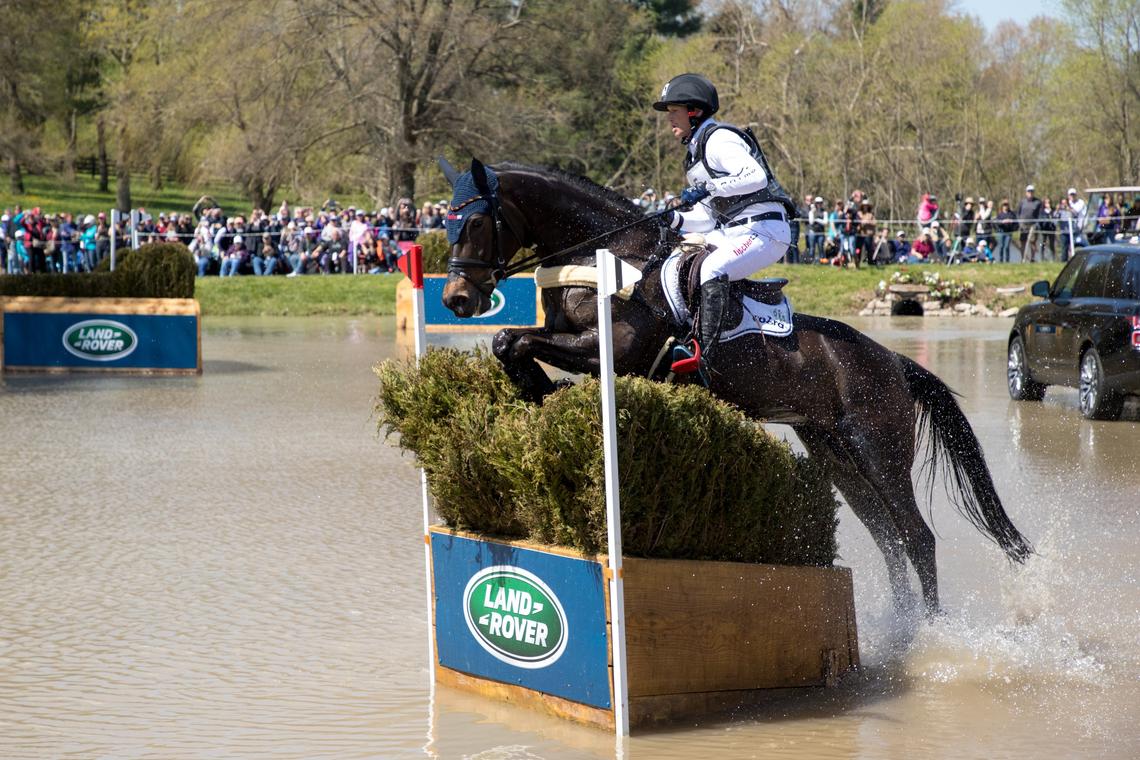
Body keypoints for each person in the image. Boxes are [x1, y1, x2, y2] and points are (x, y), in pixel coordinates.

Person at [652, 73, 795, 371]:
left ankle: (703, 356)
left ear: (695, 111)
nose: (670, 120)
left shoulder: (718, 139)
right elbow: (706, 218)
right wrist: (674, 219)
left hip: (764, 229)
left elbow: (754, 176)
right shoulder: (694, 156)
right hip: (735, 231)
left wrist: (709, 188)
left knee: (711, 267)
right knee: (681, 262)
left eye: (674, 112)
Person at [1017, 184, 1043, 262]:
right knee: (1023, 241)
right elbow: (1018, 212)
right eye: (1029, 191)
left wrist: (1036, 223)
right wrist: (1019, 222)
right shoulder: (1022, 202)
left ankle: (1032, 258)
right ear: (1026, 192)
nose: (1030, 193)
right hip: (1023, 225)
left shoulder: (1038, 202)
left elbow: (1039, 214)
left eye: (1031, 191)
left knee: (1033, 242)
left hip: (1033, 225)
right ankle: (1023, 258)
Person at [806, 196, 826, 263]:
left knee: (821, 247)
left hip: (821, 232)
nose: (819, 204)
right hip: (812, 232)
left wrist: (817, 220)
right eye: (817, 203)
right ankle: (811, 261)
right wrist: (813, 212)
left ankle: (822, 261)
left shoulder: (824, 212)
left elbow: (825, 222)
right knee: (812, 248)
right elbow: (811, 222)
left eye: (820, 203)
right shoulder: (811, 211)